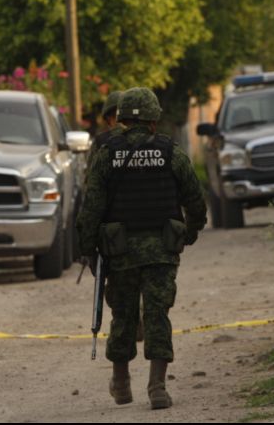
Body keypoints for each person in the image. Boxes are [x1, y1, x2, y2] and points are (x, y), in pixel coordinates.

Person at [76, 87, 207, 410]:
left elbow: (91, 207)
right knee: (157, 314)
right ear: (153, 119)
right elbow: (195, 199)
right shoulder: (170, 151)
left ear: (120, 119)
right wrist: (188, 233)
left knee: (123, 316)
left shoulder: (107, 153)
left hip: (119, 252)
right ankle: (157, 387)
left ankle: (121, 385)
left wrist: (88, 250)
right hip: (162, 248)